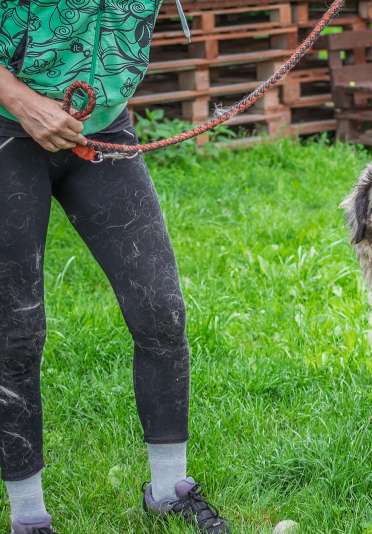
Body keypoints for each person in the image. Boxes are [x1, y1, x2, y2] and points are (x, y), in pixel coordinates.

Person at [0, 2, 228, 532]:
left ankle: (169, 490)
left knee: (161, 312)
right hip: (7, 126)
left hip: (102, 128)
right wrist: (21, 100)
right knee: (15, 332)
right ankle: (29, 516)